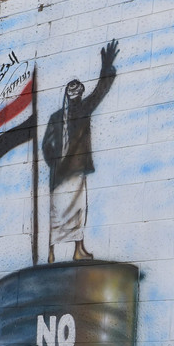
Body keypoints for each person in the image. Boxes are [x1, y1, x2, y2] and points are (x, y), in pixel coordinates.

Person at [41, 39, 119, 263]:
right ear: (71, 97)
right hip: (64, 173)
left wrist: (106, 70)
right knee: (60, 213)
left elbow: (100, 92)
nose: (77, 100)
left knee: (76, 212)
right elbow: (47, 145)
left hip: (70, 172)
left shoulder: (77, 111)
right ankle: (53, 252)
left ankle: (75, 249)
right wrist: (57, 161)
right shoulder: (64, 116)